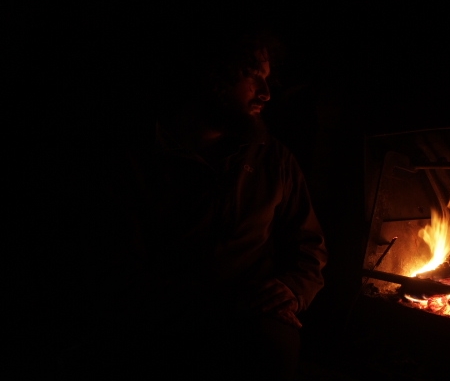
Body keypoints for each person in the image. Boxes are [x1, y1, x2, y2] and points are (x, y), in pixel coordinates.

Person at [78, 23, 328, 380]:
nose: (266, 93)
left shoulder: (273, 159)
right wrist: (223, 305)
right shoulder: (136, 160)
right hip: (169, 318)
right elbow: (117, 277)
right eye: (253, 77)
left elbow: (310, 246)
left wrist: (290, 290)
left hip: (257, 315)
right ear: (212, 77)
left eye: (269, 79)